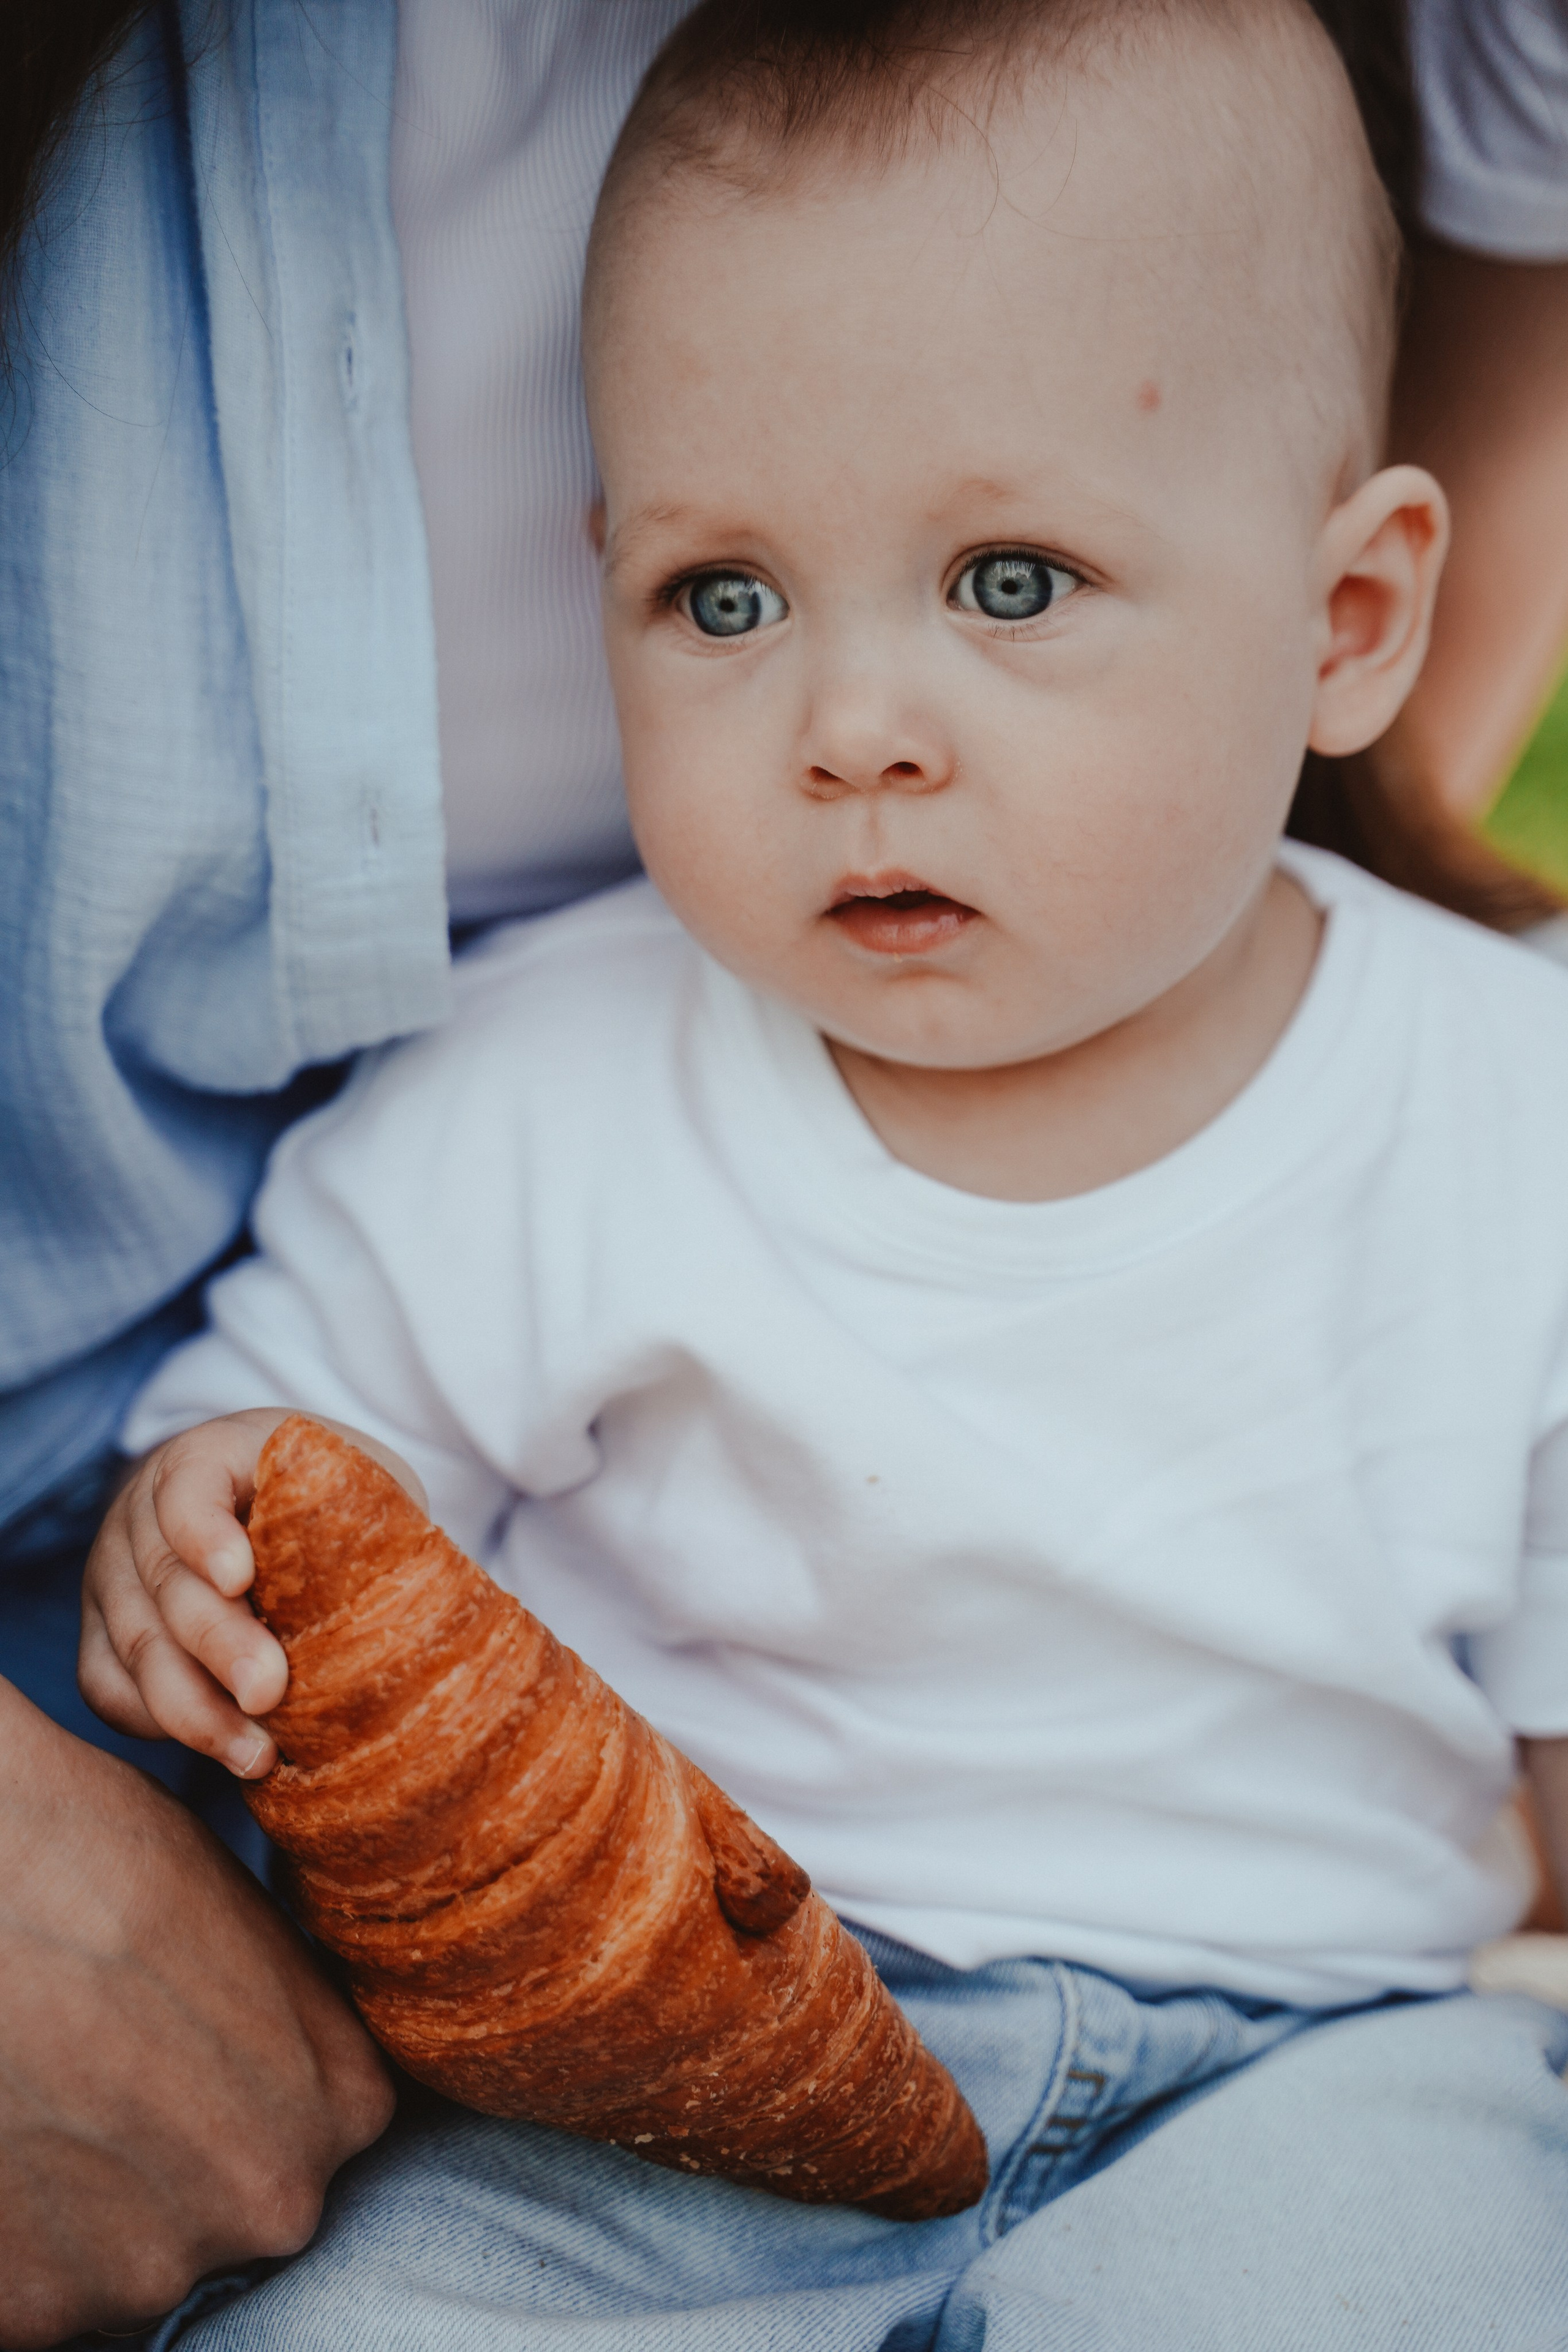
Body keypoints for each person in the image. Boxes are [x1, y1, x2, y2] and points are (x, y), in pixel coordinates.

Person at [77, 0, 1568, 2342]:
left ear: (1349, 618)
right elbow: (290, 1479)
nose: (850, 731)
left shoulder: (1516, 1106)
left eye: (1007, 582)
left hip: (1323, 2058)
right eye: (725, 600)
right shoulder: (552, 1079)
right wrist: (203, 1524)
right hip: (663, 2061)